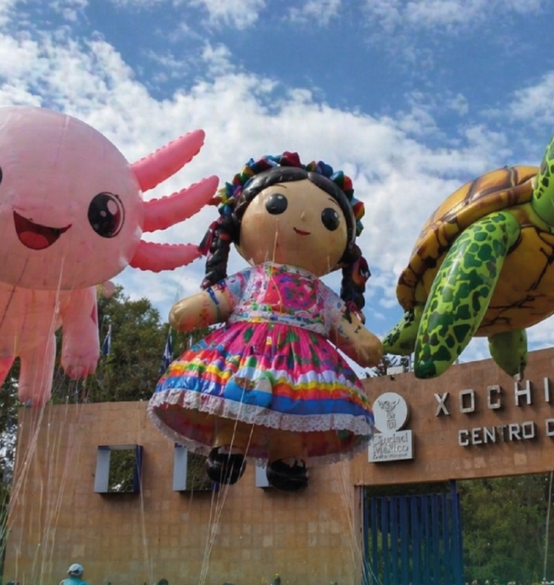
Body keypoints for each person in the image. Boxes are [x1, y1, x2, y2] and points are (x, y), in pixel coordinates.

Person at [149, 152, 382, 491]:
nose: (303, 218)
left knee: (296, 408)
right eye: (277, 204)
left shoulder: (321, 295)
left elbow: (346, 327)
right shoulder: (250, 280)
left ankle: (288, 458)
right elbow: (217, 300)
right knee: (240, 394)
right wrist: (194, 308)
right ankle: (229, 446)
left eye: (329, 219)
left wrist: (363, 342)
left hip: (302, 360)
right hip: (248, 350)